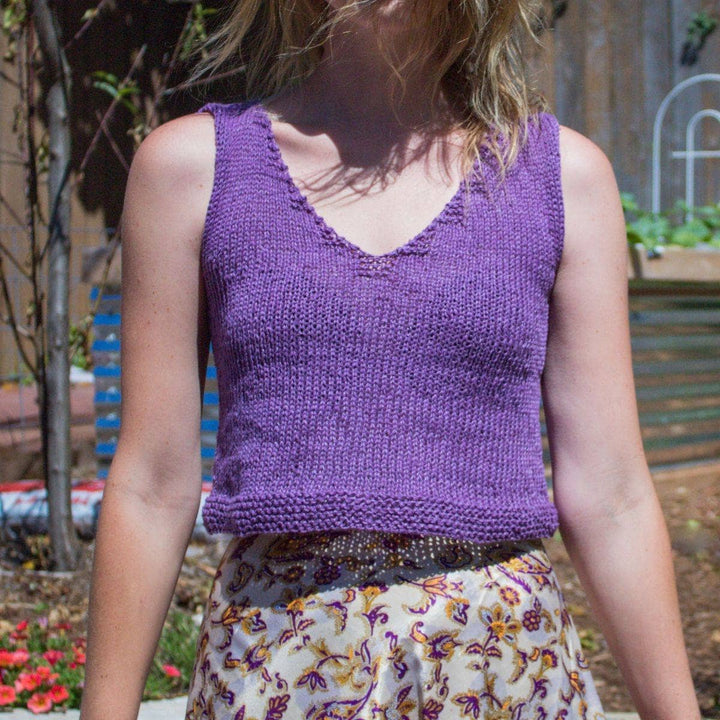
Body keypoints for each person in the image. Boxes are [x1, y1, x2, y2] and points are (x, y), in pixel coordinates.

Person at [79, 1, 702, 719]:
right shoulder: (193, 170)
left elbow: (614, 495)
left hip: (499, 666)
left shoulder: (562, 179)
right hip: (279, 668)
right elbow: (151, 486)